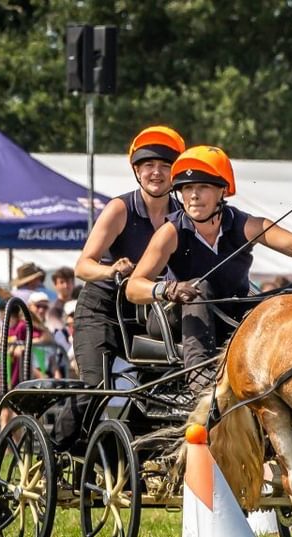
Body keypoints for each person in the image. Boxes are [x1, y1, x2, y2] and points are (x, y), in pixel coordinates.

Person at [127, 145, 292, 393]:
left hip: (228, 310)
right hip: (175, 313)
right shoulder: (171, 232)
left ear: (222, 192)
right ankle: (202, 385)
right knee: (200, 287)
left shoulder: (242, 224)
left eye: (203, 187)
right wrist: (169, 289)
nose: (193, 195)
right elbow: (133, 287)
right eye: (187, 188)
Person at [50, 125, 188, 453]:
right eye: (148, 166)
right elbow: (83, 265)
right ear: (137, 172)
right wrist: (111, 270)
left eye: (165, 166)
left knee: (156, 390)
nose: (156, 172)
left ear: (175, 173)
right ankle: (56, 445)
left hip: (144, 315)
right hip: (101, 309)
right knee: (96, 387)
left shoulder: (182, 217)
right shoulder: (120, 209)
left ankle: (128, 455)